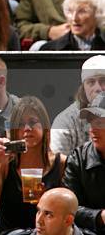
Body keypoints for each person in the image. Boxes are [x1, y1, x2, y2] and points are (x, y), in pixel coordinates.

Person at [0, 96, 66, 234]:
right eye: (21, 124)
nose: (27, 128)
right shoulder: (5, 162)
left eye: (33, 122)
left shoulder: (61, 163)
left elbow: (68, 211)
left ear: (45, 126)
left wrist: (48, 201)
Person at [62, 93, 105, 234]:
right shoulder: (78, 159)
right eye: (91, 122)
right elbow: (69, 209)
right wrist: (100, 216)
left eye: (100, 123)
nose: (92, 129)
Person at [51, 55, 105, 155]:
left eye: (103, 81)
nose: (97, 88)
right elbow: (58, 166)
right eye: (91, 82)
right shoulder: (65, 121)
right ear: (83, 88)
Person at [40, 0, 105, 50]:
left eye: (82, 11)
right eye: (70, 11)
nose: (74, 18)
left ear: (97, 13)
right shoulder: (50, 50)